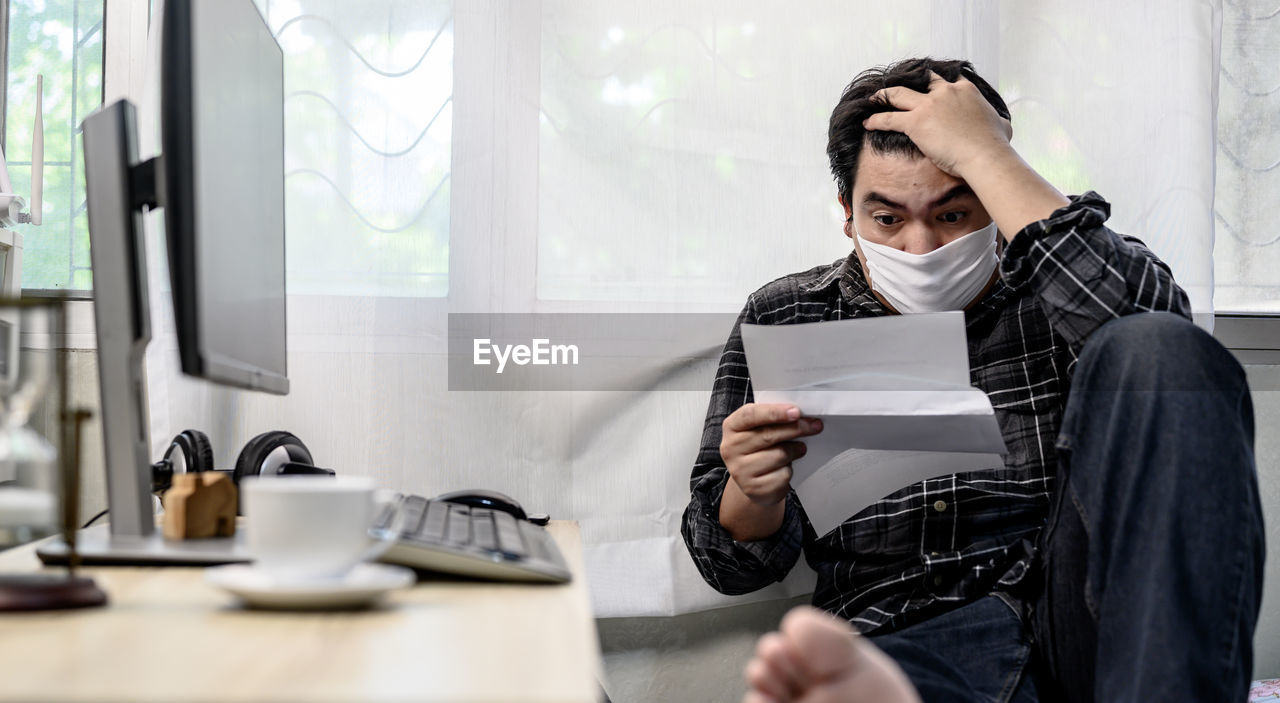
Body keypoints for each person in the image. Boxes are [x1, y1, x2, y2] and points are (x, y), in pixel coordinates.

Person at [681, 57, 1266, 701]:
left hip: (1078, 621)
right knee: (885, 673)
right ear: (848, 213)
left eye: (954, 215)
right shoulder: (789, 313)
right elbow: (727, 566)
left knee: (1157, 349)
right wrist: (753, 491)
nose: (922, 247)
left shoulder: (1064, 280)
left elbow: (1177, 366)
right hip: (897, 629)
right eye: (888, 219)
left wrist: (986, 154)